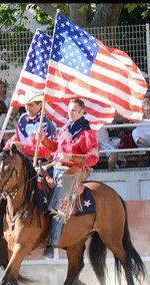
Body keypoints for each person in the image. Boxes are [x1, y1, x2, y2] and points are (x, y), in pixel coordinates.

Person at [38, 98, 100, 258]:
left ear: (82, 112)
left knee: (59, 204)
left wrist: (71, 156)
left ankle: (52, 243)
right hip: (55, 166)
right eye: (69, 110)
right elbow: (57, 147)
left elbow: (93, 158)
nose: (69, 113)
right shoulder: (65, 129)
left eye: (73, 110)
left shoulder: (87, 134)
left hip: (71, 172)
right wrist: (44, 140)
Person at [4, 92, 56, 160]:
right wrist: (6, 147)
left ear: (40, 105)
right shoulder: (22, 118)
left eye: (31, 105)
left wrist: (22, 146)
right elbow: (16, 137)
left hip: (42, 161)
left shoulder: (46, 124)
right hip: (23, 160)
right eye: (26, 104)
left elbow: (45, 152)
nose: (27, 108)